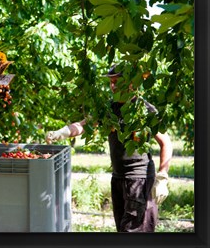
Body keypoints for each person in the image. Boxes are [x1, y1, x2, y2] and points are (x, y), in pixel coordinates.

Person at [45, 64, 173, 232]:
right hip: (118, 177)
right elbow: (84, 125)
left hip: (138, 179)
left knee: (134, 230)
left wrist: (162, 177)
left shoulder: (144, 110)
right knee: (122, 227)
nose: (112, 86)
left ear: (131, 83)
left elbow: (166, 142)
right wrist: (62, 132)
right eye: (111, 82)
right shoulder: (109, 109)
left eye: (117, 82)